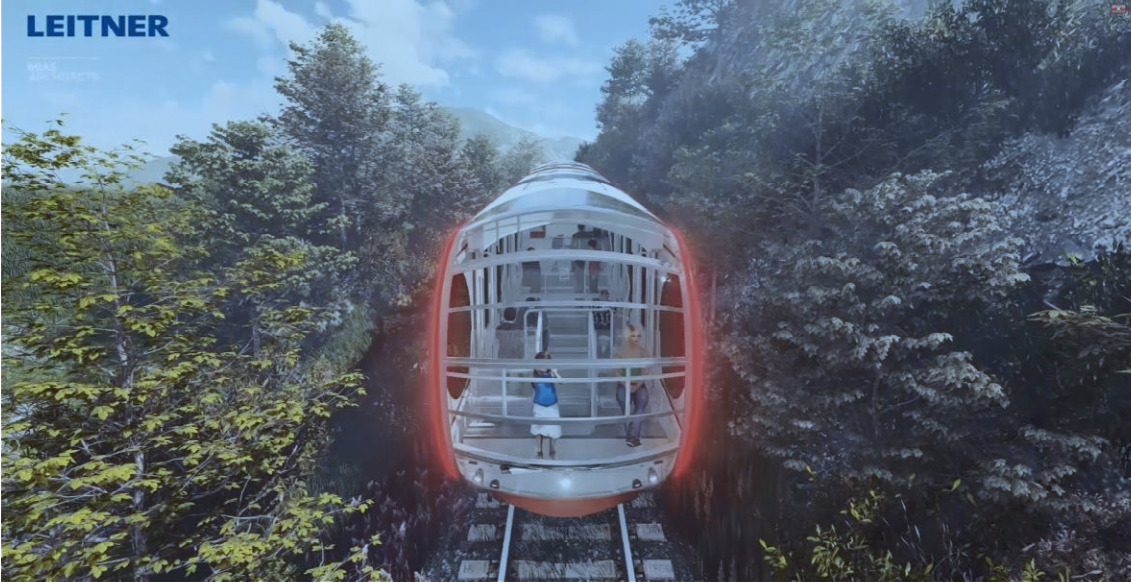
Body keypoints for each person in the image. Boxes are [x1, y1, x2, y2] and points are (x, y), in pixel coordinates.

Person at [615, 323, 649, 447]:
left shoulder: (643, 352)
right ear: (627, 337)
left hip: (639, 384)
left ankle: (632, 437)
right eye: (633, 336)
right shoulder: (620, 352)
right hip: (623, 385)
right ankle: (632, 437)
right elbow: (617, 373)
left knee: (640, 408)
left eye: (638, 336)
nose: (636, 339)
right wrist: (626, 384)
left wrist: (638, 384)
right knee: (626, 411)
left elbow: (645, 371)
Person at [530, 351, 561, 458]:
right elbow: (533, 384)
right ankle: (539, 450)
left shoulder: (552, 373)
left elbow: (562, 381)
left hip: (552, 404)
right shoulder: (534, 373)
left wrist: (554, 372)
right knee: (538, 429)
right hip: (539, 404)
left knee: (553, 428)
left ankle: (553, 449)